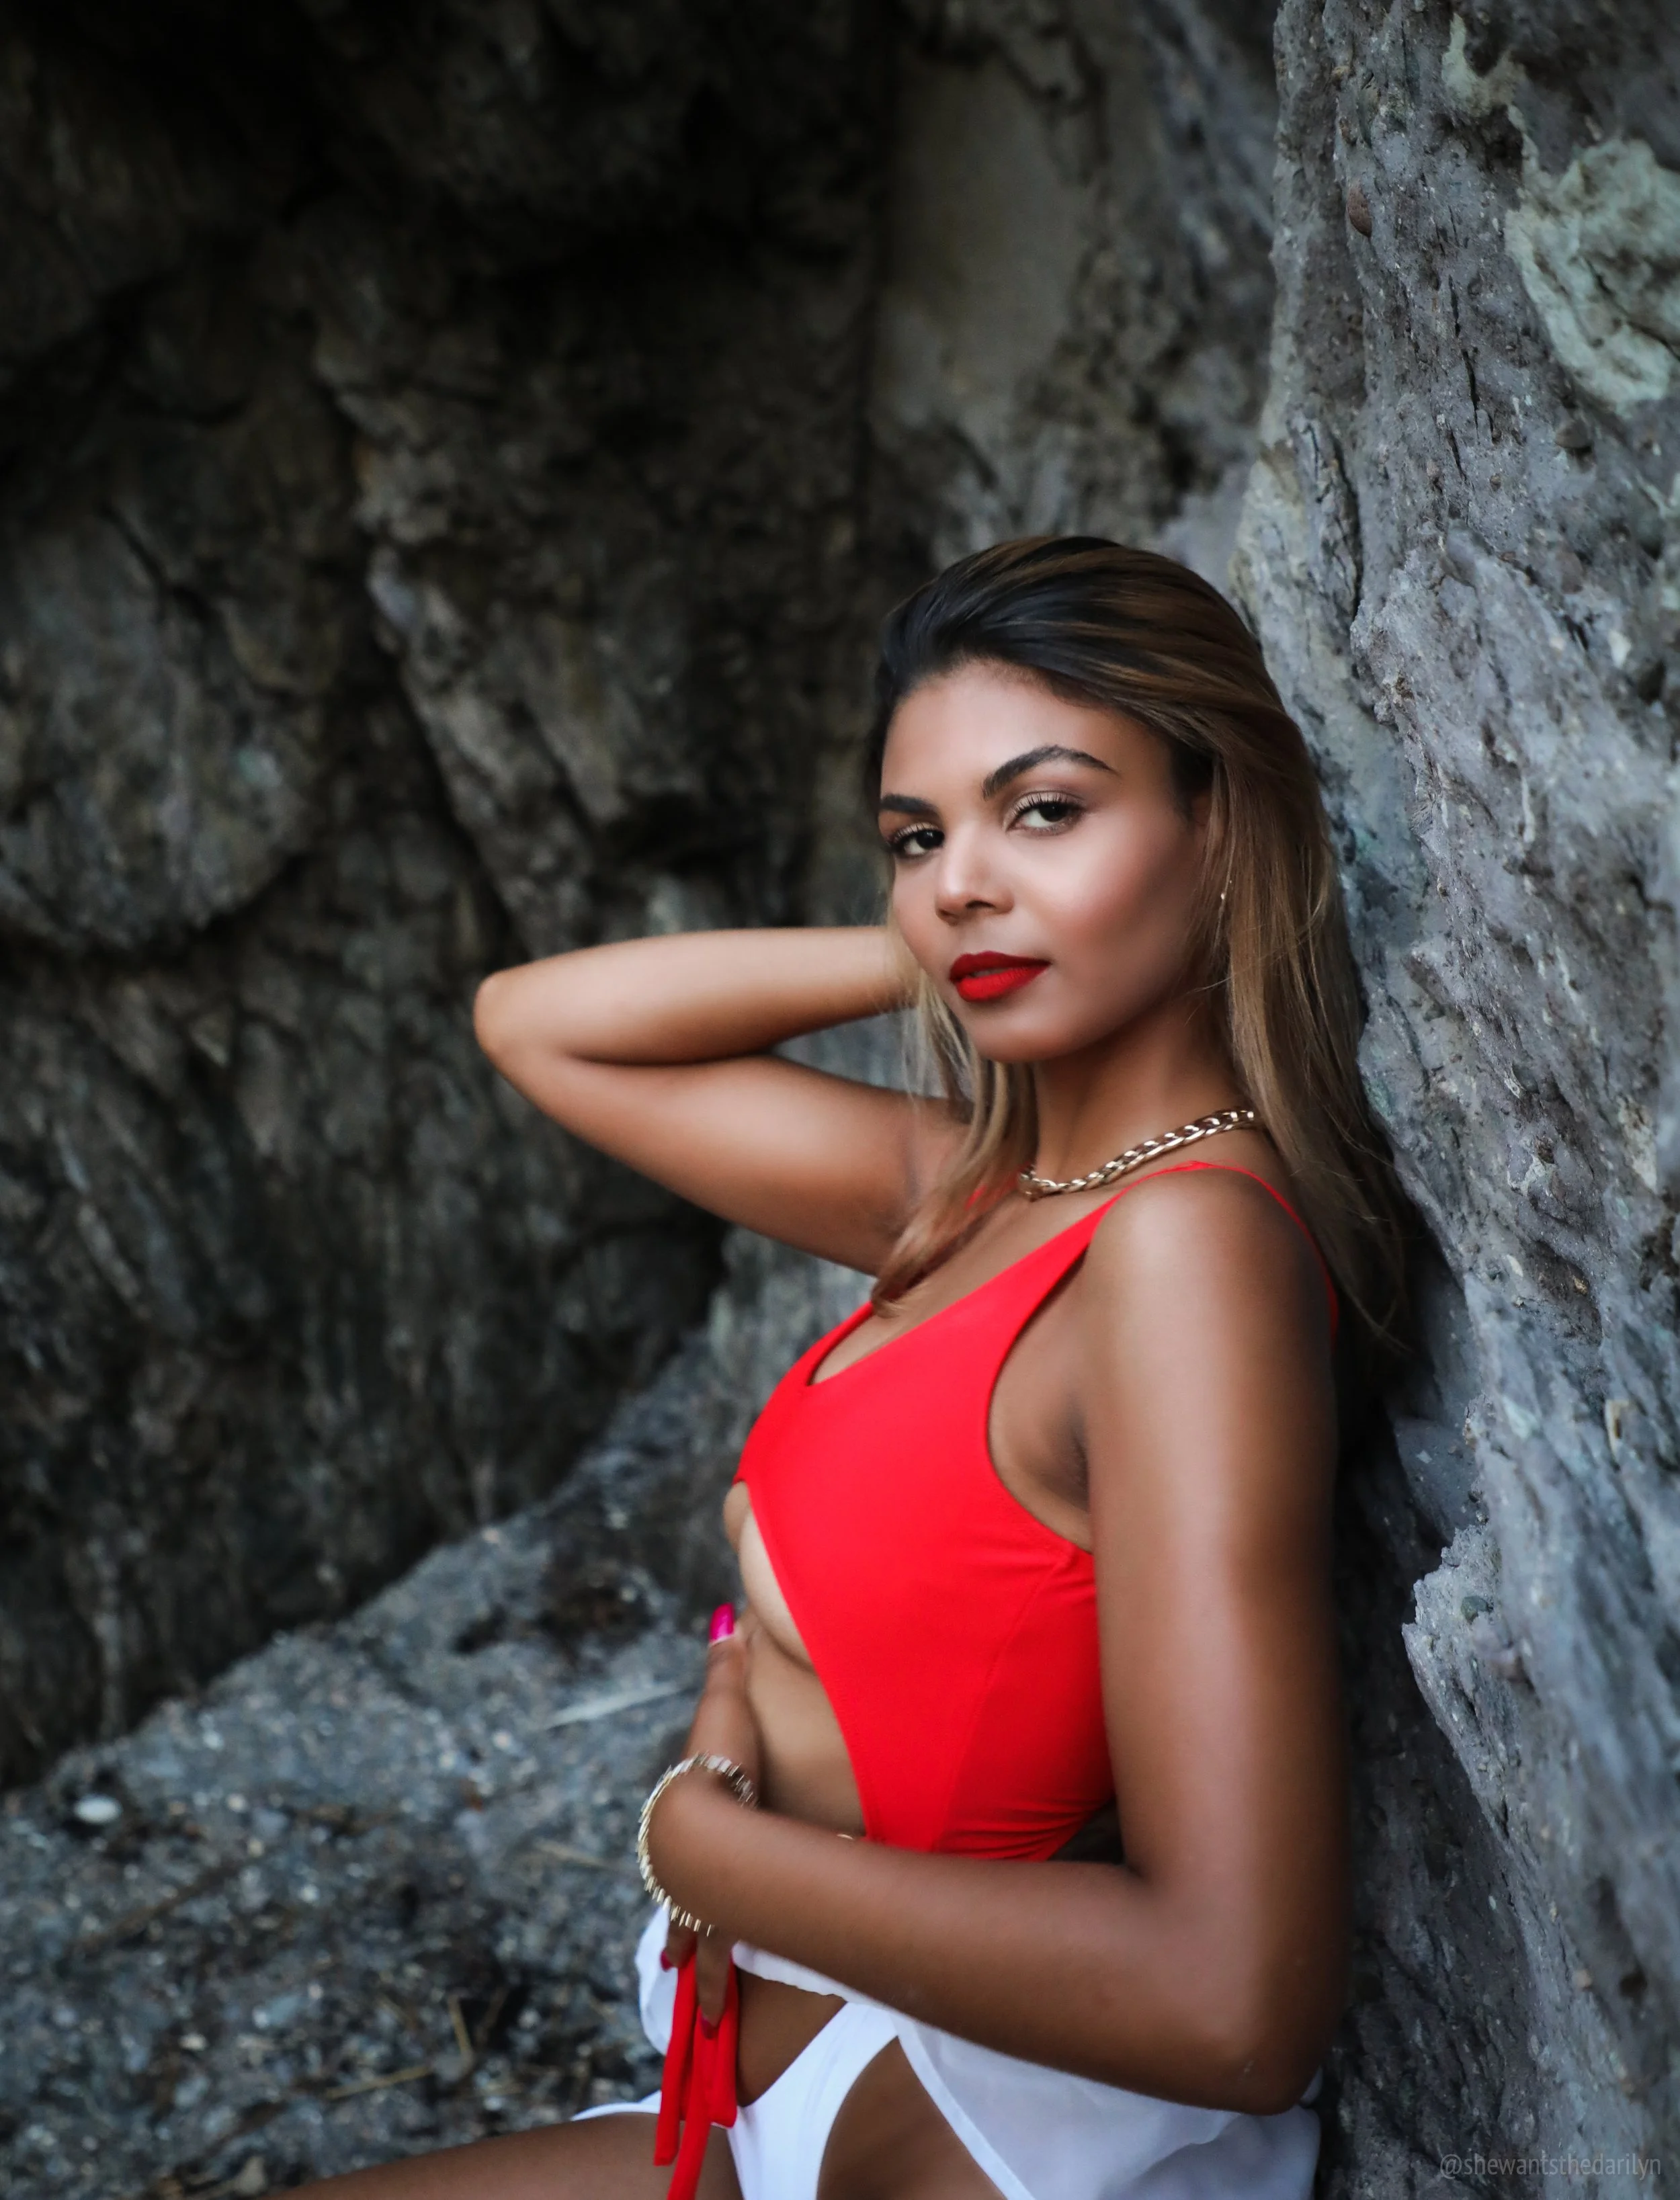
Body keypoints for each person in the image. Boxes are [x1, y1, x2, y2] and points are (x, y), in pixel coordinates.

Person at [311, 536, 1409, 2200]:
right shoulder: (972, 1194)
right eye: (916, 836)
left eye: (1044, 809)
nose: (960, 874)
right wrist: (944, 938)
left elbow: (1233, 1997)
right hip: (777, 2081)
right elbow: (541, 1022)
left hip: (989, 2124)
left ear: (1218, 826)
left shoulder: (1181, 1250)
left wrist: (705, 1848)